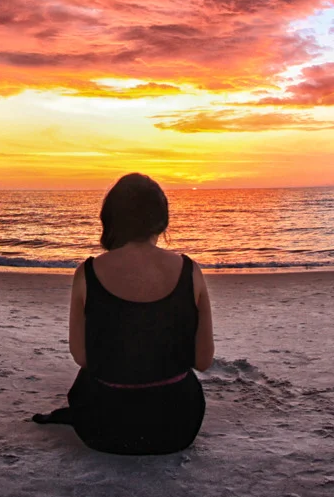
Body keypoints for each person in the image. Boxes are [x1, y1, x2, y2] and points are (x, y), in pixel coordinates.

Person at [33, 173, 215, 454]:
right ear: (160, 218)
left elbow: (82, 357)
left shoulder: (88, 273)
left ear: (111, 218)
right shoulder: (190, 272)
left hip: (105, 427)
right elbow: (203, 361)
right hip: (177, 426)